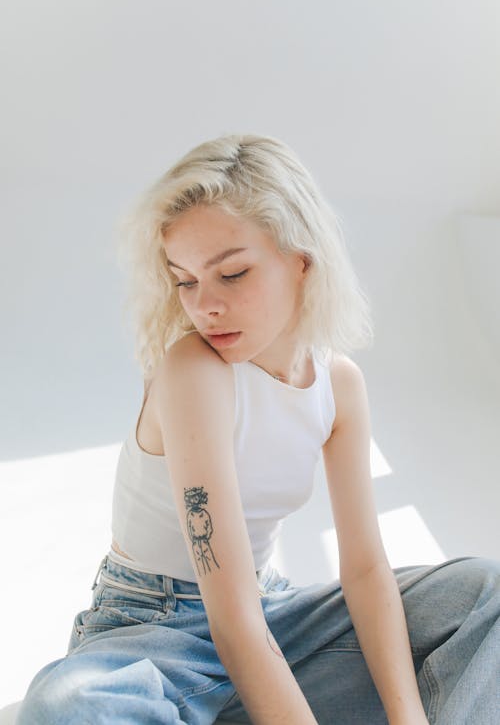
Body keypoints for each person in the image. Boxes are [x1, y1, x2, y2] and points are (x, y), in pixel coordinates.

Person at [17, 134, 499, 725]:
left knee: (485, 594)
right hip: (152, 635)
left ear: (301, 261)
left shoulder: (338, 385)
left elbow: (366, 571)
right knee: (66, 708)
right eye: (185, 280)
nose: (204, 306)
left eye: (233, 274)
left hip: (273, 618)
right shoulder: (194, 371)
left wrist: (410, 720)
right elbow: (229, 616)